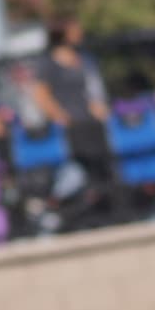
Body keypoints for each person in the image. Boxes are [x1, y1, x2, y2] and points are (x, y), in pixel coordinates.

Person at [32, 15, 115, 213]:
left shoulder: (85, 59)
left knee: (102, 166)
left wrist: (100, 107)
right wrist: (59, 116)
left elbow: (95, 88)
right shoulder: (48, 63)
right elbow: (41, 94)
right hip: (69, 126)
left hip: (92, 122)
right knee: (77, 167)